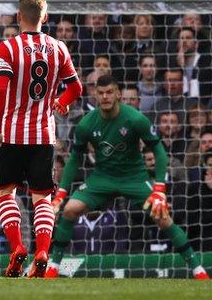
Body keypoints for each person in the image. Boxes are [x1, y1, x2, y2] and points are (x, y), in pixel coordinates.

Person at [46, 75, 210, 280]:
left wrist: (159, 189)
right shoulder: (86, 124)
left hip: (134, 178)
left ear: (118, 94)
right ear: (95, 95)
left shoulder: (135, 118)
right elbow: (74, 159)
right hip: (102, 178)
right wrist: (61, 192)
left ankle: (198, 269)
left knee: (163, 217)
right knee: (70, 210)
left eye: (109, 92)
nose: (105, 96)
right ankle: (53, 265)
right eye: (101, 93)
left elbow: (158, 150)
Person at [0, 0, 82, 278]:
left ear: (19, 16)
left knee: (7, 192)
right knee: (42, 197)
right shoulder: (59, 48)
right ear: (45, 17)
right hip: (43, 135)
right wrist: (61, 103)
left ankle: (17, 248)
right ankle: (42, 251)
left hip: (13, 134)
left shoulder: (8, 47)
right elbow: (76, 88)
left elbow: (1, 90)